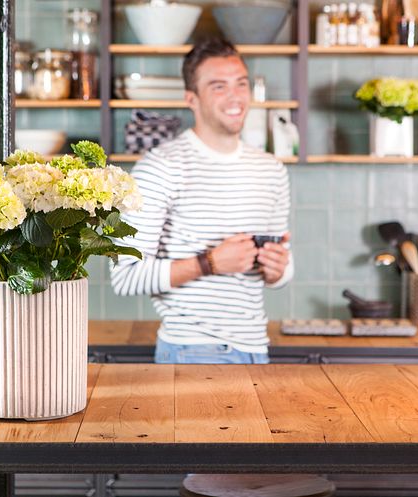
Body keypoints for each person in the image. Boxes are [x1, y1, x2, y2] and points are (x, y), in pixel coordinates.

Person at [110, 37, 293, 364]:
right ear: (191, 99)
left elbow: (281, 268)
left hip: (256, 349)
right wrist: (208, 263)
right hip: (190, 351)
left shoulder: (272, 170)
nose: (235, 96)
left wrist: (279, 269)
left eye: (241, 83)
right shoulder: (159, 167)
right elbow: (126, 277)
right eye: (218, 87)